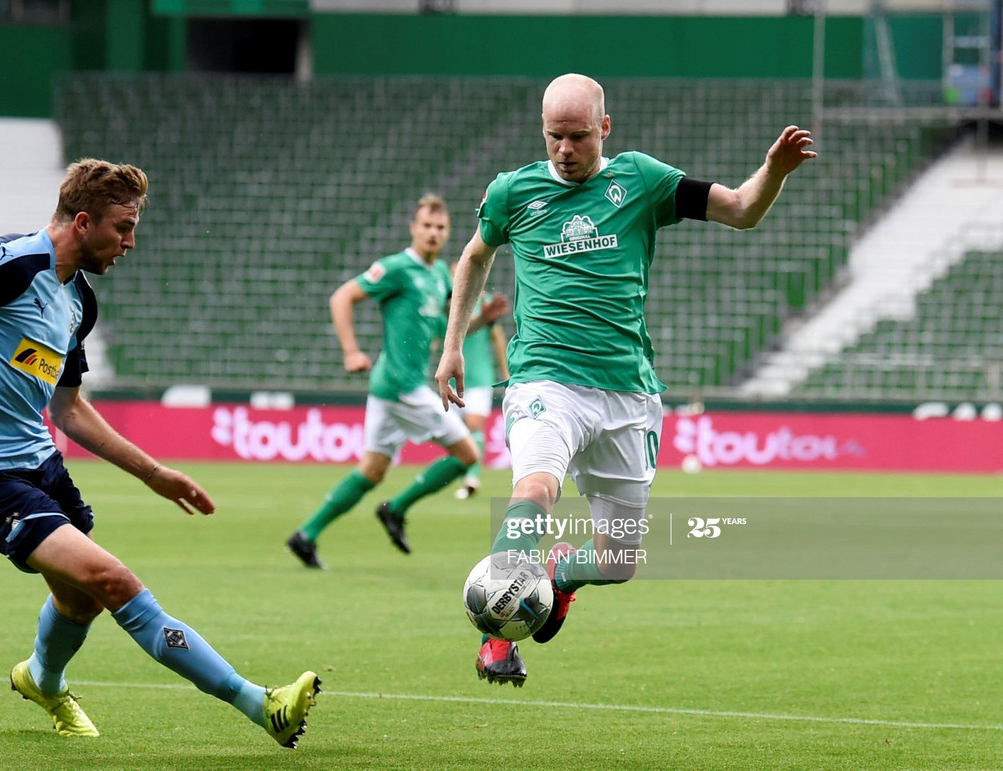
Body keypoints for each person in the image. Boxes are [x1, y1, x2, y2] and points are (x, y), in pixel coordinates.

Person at [0, 158, 320, 746]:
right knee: (113, 581)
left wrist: (153, 473)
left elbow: (69, 410)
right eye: (123, 227)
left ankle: (40, 679)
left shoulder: (78, 302)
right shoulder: (4, 266)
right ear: (82, 223)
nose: (130, 242)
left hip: (39, 466)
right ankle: (259, 704)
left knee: (78, 598)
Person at [435, 74, 816, 686]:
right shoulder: (512, 193)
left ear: (604, 129)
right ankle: (496, 636)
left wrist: (774, 170)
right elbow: (475, 256)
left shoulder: (641, 180)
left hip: (628, 394)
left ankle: (560, 577)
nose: (565, 149)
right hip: (544, 382)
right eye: (554, 136)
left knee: (616, 563)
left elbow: (742, 211)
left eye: (578, 136)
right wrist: (454, 345)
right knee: (534, 491)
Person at [286, 195, 506, 570]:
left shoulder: (439, 276)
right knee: (468, 454)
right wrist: (351, 351)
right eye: (427, 226)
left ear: (448, 232)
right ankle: (397, 509)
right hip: (402, 387)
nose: (433, 233)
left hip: (390, 387)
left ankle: (305, 535)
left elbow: (440, 330)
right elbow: (342, 297)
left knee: (371, 471)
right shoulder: (397, 268)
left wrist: (482, 321)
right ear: (413, 228)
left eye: (440, 228)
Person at [453, 292, 509, 500]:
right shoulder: (447, 306)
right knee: (459, 433)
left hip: (480, 376)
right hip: (453, 378)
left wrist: (505, 370)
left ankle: (471, 478)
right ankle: (461, 473)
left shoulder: (482, 305)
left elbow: (497, 338)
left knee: (474, 424)